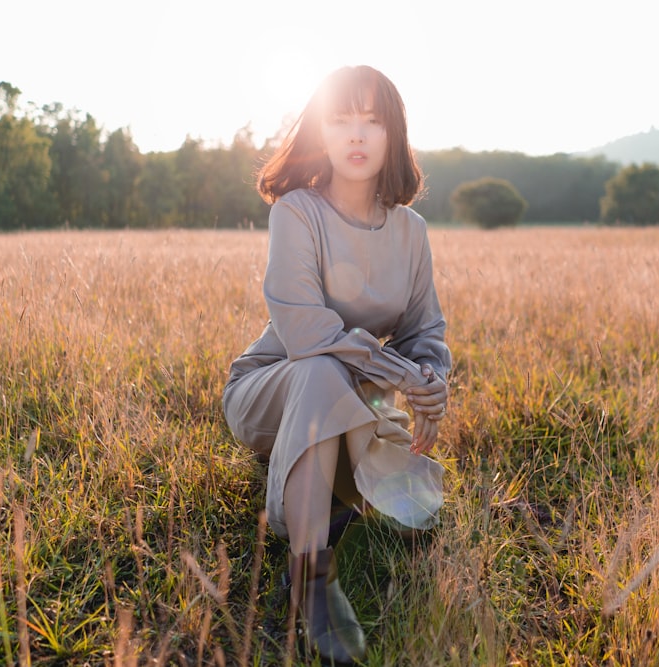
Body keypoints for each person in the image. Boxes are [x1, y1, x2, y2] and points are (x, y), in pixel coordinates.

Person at [222, 65, 451, 664]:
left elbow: (426, 329)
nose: (356, 135)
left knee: (412, 514)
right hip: (272, 387)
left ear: (392, 133)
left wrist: (431, 383)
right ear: (320, 131)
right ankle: (312, 578)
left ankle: (342, 495)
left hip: (360, 399)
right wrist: (401, 375)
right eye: (341, 119)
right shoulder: (296, 212)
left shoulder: (411, 231)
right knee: (322, 369)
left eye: (372, 121)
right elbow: (305, 330)